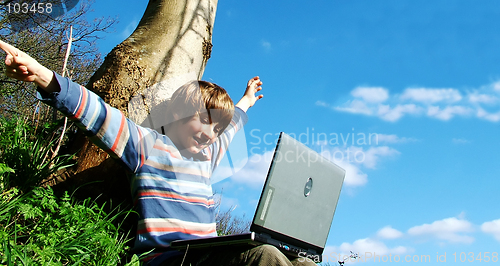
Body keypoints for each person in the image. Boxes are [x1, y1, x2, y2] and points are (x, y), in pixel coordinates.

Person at [0, 40, 317, 266]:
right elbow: (96, 113)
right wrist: (43, 76)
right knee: (265, 256)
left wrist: (246, 100)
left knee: (302, 263)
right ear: (179, 112)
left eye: (215, 129)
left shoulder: (207, 157)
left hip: (213, 255)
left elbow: (231, 123)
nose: (210, 134)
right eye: (204, 121)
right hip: (172, 259)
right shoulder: (147, 145)